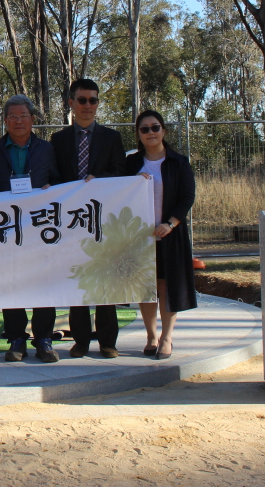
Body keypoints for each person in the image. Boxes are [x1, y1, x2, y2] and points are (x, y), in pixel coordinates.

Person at [0, 94, 60, 363]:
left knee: (44, 281)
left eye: (23, 116)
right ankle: (17, 338)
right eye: (13, 117)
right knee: (11, 281)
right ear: (5, 121)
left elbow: (60, 182)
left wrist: (52, 189)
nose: (19, 121)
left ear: (32, 119)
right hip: (8, 229)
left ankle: (44, 339)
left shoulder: (47, 149)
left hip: (40, 227)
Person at [50, 78, 128, 359]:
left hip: (104, 221)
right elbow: (54, 176)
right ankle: (80, 341)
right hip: (72, 223)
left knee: (105, 283)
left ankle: (108, 342)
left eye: (92, 100)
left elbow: (121, 172)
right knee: (78, 281)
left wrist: (99, 180)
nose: (87, 106)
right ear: (71, 103)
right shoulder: (58, 140)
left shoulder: (112, 138)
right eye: (81, 100)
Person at [126, 110, 197, 360]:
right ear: (138, 134)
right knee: (147, 288)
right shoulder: (130, 164)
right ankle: (150, 336)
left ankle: (167, 338)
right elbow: (117, 192)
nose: (150, 133)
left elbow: (187, 197)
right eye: (144, 129)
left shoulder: (179, 162)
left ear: (163, 131)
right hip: (140, 238)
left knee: (167, 287)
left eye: (154, 127)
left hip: (169, 235)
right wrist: (133, 181)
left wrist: (170, 223)